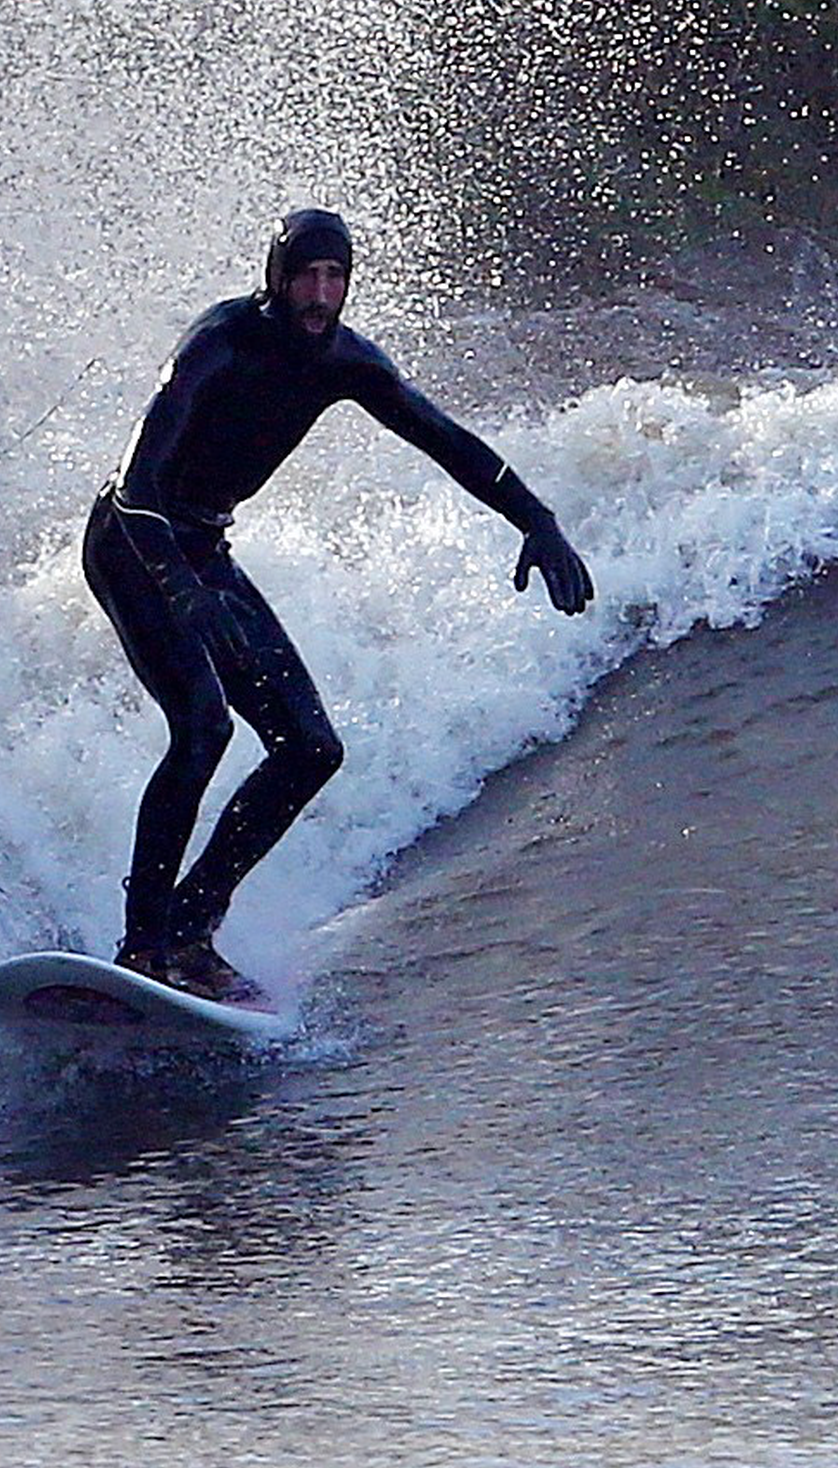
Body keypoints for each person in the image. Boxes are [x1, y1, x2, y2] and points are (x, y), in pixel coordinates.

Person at [84, 207, 595, 1006]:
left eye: (336, 277)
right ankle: (143, 940)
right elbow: (136, 484)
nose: (321, 295)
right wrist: (182, 592)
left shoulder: (347, 363)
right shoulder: (217, 344)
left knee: (309, 748)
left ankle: (191, 929)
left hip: (207, 550)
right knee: (204, 725)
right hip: (133, 541)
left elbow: (447, 440)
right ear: (276, 277)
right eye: (307, 276)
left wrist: (538, 520)